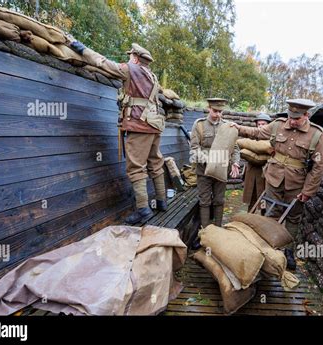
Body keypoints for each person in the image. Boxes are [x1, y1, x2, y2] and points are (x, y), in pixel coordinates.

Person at [67, 40, 167, 224]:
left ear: (135, 58)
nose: (128, 58)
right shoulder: (152, 76)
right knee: (156, 162)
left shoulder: (130, 69)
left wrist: (82, 49)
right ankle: (161, 202)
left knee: (136, 167)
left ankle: (144, 209)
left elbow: (103, 63)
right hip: (154, 125)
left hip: (139, 125)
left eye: (130, 56)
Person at [232, 99, 323, 270]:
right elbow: (258, 133)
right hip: (273, 178)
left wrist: (308, 190)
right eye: (290, 116)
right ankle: (268, 248)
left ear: (306, 115)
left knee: (293, 217)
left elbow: (318, 167)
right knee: (270, 212)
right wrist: (239, 128)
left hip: (297, 183)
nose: (292, 120)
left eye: (297, 118)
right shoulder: (278, 125)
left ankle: (288, 251)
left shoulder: (317, 135)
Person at [190, 98, 240, 228]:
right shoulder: (199, 125)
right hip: (203, 170)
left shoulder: (227, 126)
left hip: (222, 170)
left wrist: (235, 162)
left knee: (219, 200)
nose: (218, 114)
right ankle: (205, 230)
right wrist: (209, 161)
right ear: (209, 108)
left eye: (220, 111)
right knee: (205, 201)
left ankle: (217, 228)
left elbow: (234, 148)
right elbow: (194, 148)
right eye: (215, 111)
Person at [242, 113, 272, 213]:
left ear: (268, 125)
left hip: (266, 173)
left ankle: (263, 216)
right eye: (258, 124)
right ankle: (249, 216)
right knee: (251, 196)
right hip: (252, 171)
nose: (260, 126)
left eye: (263, 124)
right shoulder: (252, 138)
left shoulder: (272, 139)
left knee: (264, 197)